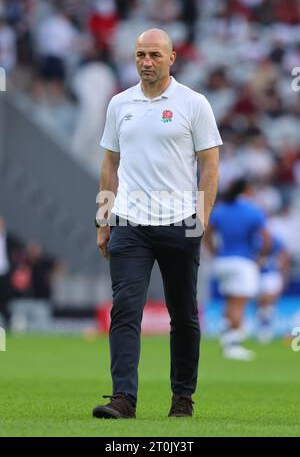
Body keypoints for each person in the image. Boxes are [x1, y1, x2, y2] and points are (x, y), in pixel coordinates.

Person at [93, 28, 222, 419]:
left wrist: (201, 218)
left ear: (172, 58)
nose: (146, 61)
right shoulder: (119, 104)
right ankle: (123, 399)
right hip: (130, 222)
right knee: (125, 309)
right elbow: (110, 164)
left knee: (183, 314)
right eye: (140, 55)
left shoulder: (193, 103)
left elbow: (210, 163)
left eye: (154, 55)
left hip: (180, 222)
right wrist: (103, 219)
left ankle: (182, 397)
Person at [205, 179, 270, 361]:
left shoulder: (221, 210)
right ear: (247, 190)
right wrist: (260, 257)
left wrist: (214, 253)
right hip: (243, 262)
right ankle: (232, 345)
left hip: (223, 261)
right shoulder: (253, 211)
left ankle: (227, 339)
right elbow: (266, 238)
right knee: (238, 304)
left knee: (230, 301)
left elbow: (207, 233)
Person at [257, 234, 289, 343]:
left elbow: (284, 257)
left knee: (269, 298)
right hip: (257, 274)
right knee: (260, 303)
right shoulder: (254, 239)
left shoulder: (276, 240)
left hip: (272, 274)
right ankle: (263, 326)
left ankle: (266, 328)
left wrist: (284, 276)